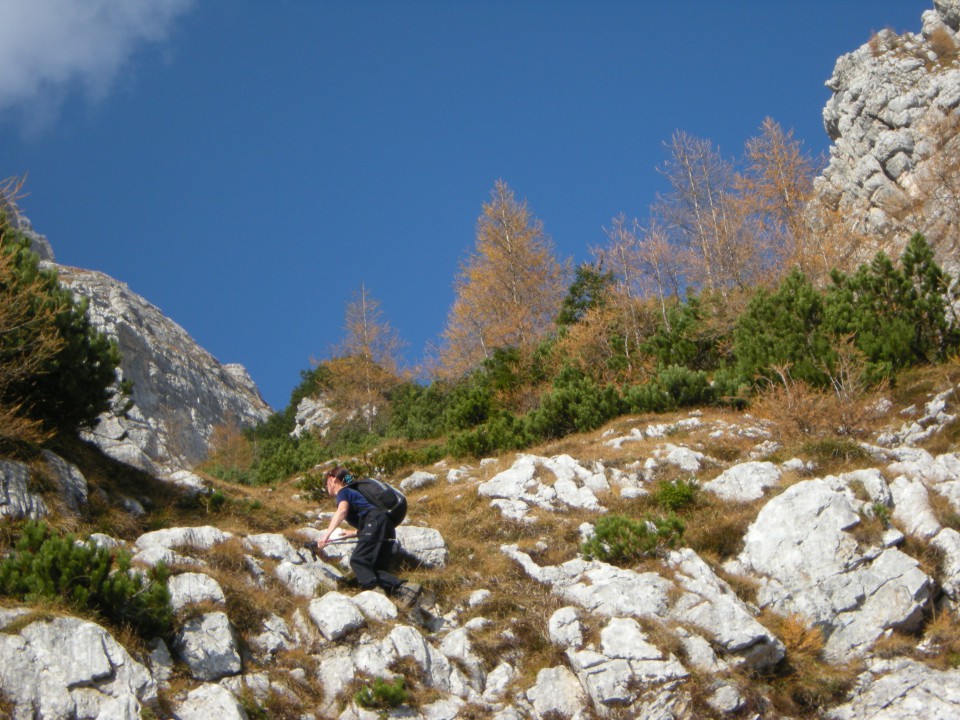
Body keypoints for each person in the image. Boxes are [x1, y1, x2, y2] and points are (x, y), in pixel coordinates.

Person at [310, 466, 421, 607]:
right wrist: (353, 533)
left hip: (375, 522)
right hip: (386, 526)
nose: (326, 487)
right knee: (374, 569)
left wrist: (325, 537)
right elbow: (370, 519)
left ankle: (376, 595)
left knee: (358, 560)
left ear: (333, 479)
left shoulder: (344, 492)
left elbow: (342, 511)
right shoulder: (354, 492)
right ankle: (405, 590)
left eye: (326, 483)